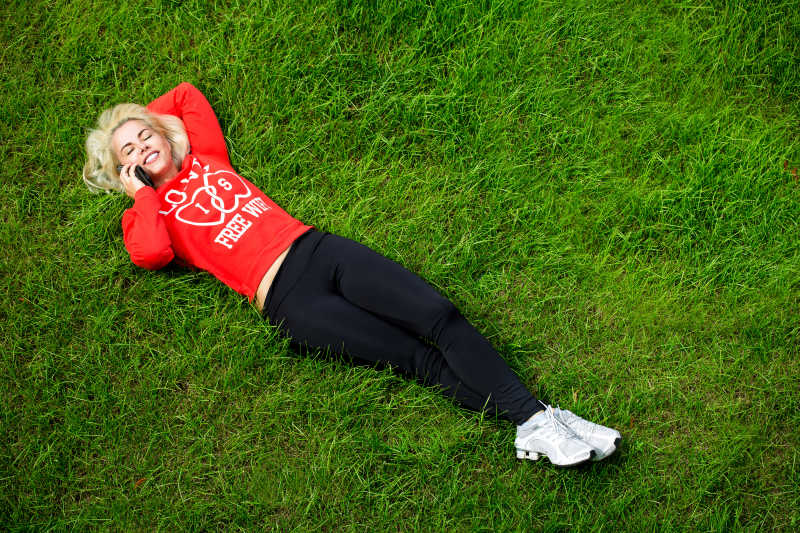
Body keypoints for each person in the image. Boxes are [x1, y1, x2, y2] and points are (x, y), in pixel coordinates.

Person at [83, 82, 621, 467]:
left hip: (319, 250)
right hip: (290, 302)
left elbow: (182, 95)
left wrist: (139, 124)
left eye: (145, 135)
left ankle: (536, 421)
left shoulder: (208, 158)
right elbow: (150, 255)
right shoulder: (144, 216)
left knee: (438, 314)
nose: (142, 146)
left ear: (163, 134)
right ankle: (540, 422)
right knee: (419, 361)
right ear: (123, 170)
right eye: (128, 150)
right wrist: (141, 192)